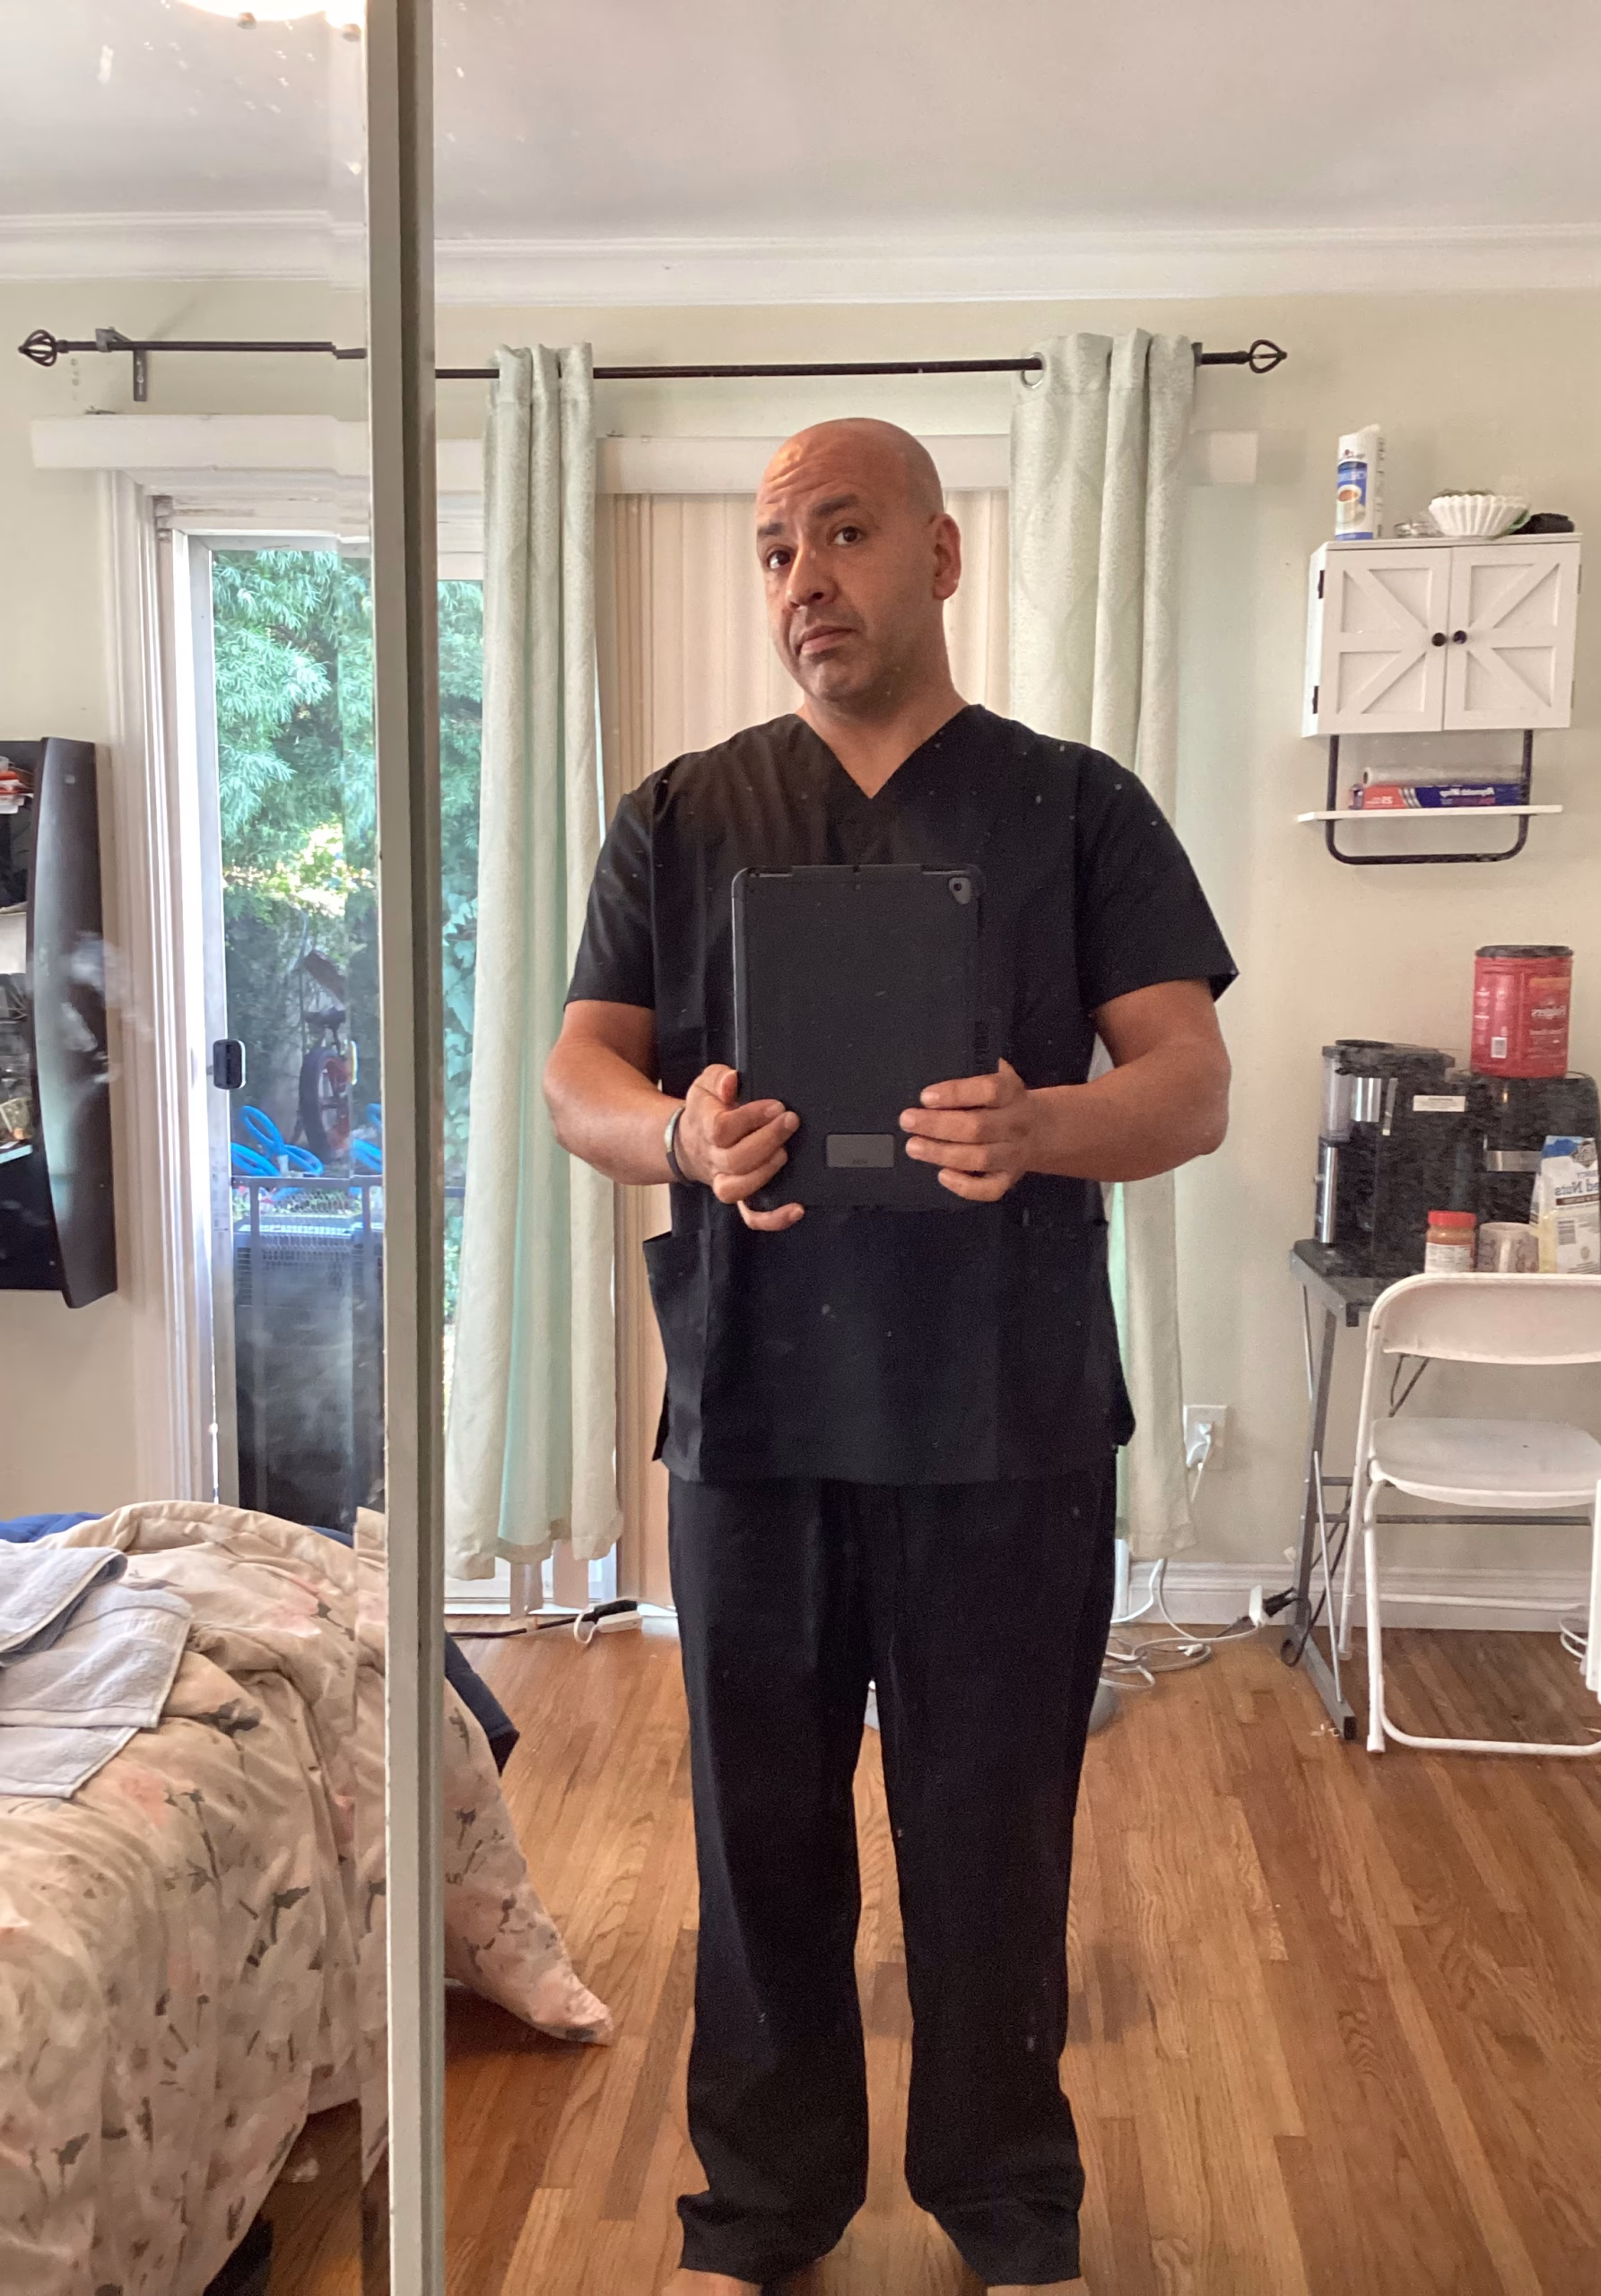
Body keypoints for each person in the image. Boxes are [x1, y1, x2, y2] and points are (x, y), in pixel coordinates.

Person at [544, 417, 1235, 2296]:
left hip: (1006, 1412)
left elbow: (1189, 1082)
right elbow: (580, 1074)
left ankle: (1010, 2207)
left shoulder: (1075, 807)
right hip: (758, 1407)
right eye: (776, 548)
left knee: (995, 1832)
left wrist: (1040, 1125)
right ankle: (760, 2209)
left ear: (940, 555)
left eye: (842, 535)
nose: (803, 580)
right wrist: (679, 1134)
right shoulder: (680, 814)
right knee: (757, 1832)